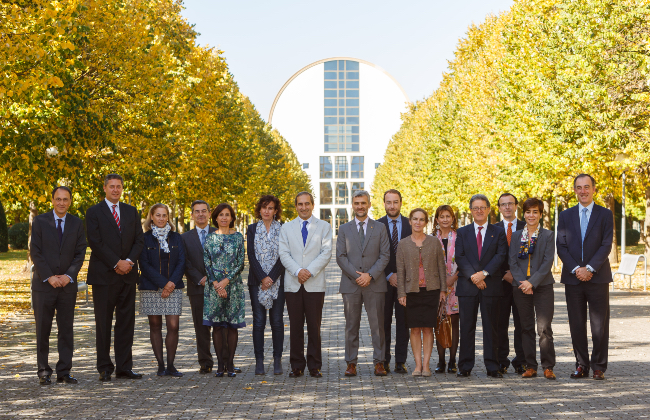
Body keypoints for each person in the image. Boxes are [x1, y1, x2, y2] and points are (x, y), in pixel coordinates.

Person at [86, 174, 144, 381]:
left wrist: (128, 261)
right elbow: (95, 241)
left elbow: (139, 240)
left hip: (127, 276)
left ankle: (124, 367)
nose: (115, 190)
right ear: (104, 188)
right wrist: (115, 263)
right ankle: (104, 367)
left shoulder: (131, 211)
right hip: (104, 277)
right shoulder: (93, 212)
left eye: (119, 187)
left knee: (126, 323)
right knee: (103, 323)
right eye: (111, 187)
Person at [557, 174, 613, 380]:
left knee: (599, 325)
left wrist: (589, 268)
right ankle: (581, 365)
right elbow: (561, 246)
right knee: (576, 323)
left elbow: (606, 244)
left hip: (598, 278)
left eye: (587, 187)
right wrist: (576, 269)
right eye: (579, 188)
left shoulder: (605, 214)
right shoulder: (566, 215)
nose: (583, 191)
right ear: (575, 191)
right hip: (573, 279)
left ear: (594, 189)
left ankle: (598, 366)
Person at [30, 186, 87, 385]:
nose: (61, 203)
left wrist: (69, 276)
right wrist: (49, 276)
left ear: (70, 201)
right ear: (52, 200)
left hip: (67, 287)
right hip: (44, 286)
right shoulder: (40, 221)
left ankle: (64, 371)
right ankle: (44, 371)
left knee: (66, 330)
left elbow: (80, 252)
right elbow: (35, 251)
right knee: (43, 330)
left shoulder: (77, 223)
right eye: (58, 199)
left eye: (65, 199)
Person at [336, 190, 391, 377]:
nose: (360, 206)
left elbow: (385, 255)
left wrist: (370, 275)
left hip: (375, 284)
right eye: (357, 203)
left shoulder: (380, 227)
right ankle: (351, 363)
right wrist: (358, 276)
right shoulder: (344, 229)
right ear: (352, 205)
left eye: (363, 203)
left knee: (378, 326)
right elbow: (341, 257)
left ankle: (379, 363)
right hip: (351, 285)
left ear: (369, 204)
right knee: (351, 326)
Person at [279, 192, 332, 378]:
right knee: (295, 326)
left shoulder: (324, 226)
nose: (304, 207)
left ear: (313, 205)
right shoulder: (286, 228)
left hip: (314, 283)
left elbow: (326, 252)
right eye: (300, 204)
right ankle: (297, 365)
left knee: (314, 326)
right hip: (293, 284)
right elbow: (283, 253)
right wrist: (297, 271)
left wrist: (308, 271)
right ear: (296, 206)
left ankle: (314, 365)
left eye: (307, 204)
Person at [455, 194, 507, 378]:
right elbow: (460, 257)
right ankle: (465, 366)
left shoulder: (498, 231)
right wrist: (474, 276)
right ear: (471, 210)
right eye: (475, 208)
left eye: (482, 207)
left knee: (491, 327)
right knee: (467, 327)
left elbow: (500, 256)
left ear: (489, 210)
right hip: (468, 287)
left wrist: (483, 274)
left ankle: (493, 367)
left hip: (490, 285)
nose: (479, 211)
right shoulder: (462, 232)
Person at [509, 198, 557, 380]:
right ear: (524, 214)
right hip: (520, 287)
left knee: (544, 327)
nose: (531, 215)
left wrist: (532, 282)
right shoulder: (516, 236)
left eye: (535, 212)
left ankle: (548, 366)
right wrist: (523, 282)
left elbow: (547, 262)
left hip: (542, 286)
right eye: (528, 212)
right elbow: (512, 261)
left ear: (541, 214)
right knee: (525, 327)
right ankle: (530, 366)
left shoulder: (548, 235)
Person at [396, 208, 447, 377]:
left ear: (426, 222)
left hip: (431, 290)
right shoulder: (403, 244)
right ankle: (417, 365)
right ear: (410, 221)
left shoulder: (434, 242)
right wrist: (401, 293)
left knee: (428, 328)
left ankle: (426, 365)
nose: (418, 222)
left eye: (422, 219)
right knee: (415, 329)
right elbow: (400, 270)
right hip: (411, 291)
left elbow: (441, 267)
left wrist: (443, 290)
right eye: (415, 219)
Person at [138, 204, 186, 377]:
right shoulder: (144, 238)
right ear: (151, 216)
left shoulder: (176, 238)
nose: (161, 218)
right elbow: (144, 265)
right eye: (157, 215)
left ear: (168, 217)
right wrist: (163, 284)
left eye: (164, 215)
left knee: (173, 326)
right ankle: (160, 365)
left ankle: (171, 365)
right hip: (151, 288)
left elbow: (182, 261)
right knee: (155, 325)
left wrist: (171, 283)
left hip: (173, 287)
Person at [203, 203, 245, 377]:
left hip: (233, 287)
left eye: (227, 214)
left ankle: (230, 364)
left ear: (232, 217)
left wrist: (226, 281)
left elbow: (241, 263)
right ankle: (220, 365)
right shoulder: (210, 238)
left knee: (232, 327)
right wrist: (216, 283)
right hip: (214, 289)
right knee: (218, 327)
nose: (224, 217)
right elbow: (207, 262)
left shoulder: (238, 237)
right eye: (220, 214)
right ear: (216, 218)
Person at [247, 195, 285, 376]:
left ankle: (277, 359)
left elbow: (284, 254)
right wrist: (263, 277)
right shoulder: (252, 229)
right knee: (259, 322)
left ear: (276, 211)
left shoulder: (284, 229)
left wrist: (271, 277)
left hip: (278, 281)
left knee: (277, 321)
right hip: (256, 282)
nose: (267, 211)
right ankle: (259, 361)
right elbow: (251, 255)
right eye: (264, 208)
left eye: (270, 208)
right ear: (259, 210)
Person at [378, 189, 412, 374]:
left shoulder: (410, 224)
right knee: (383, 324)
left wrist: (402, 276)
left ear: (401, 203)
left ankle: (401, 361)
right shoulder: (377, 225)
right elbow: (373, 255)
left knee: (403, 323)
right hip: (383, 282)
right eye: (389, 202)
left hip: (405, 283)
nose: (392, 206)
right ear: (384, 204)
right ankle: (383, 360)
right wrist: (389, 275)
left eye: (395, 202)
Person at [181, 200, 216, 374]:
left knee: (221, 326)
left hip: (219, 288)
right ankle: (205, 362)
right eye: (197, 211)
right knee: (201, 327)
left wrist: (215, 280)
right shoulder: (184, 238)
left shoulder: (220, 233)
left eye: (204, 211)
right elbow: (184, 262)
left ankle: (225, 361)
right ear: (192, 215)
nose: (200, 214)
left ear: (210, 213)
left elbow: (227, 260)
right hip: (197, 288)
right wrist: (200, 279)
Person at [494, 193, 526, 374]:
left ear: (516, 206)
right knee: (500, 324)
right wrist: (502, 274)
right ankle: (501, 360)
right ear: (499, 208)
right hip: (499, 283)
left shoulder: (526, 226)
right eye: (503, 204)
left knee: (522, 324)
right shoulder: (494, 229)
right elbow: (488, 256)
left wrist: (516, 275)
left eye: (510, 204)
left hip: (521, 282)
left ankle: (521, 360)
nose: (507, 207)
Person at [433, 205, 460, 374]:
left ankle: (452, 361)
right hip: (436, 287)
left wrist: (454, 277)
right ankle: (441, 360)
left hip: (456, 285)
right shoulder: (430, 239)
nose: (444, 219)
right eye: (441, 216)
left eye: (448, 216)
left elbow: (465, 259)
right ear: (436, 219)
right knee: (439, 322)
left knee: (454, 324)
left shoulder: (460, 237)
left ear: (452, 218)